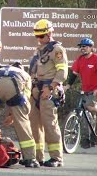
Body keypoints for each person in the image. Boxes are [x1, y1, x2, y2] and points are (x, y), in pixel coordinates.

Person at [0, 62, 40, 168]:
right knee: (22, 123)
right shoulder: (24, 74)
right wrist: (14, 115)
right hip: (15, 86)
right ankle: (30, 158)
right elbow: (24, 98)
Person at [28, 19, 68, 167]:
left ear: (50, 33)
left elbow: (62, 71)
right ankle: (37, 157)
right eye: (37, 36)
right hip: (35, 90)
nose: (39, 39)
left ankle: (56, 158)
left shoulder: (57, 50)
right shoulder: (39, 50)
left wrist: (51, 87)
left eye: (42, 36)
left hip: (49, 90)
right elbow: (33, 71)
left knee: (50, 125)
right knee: (34, 125)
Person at [64, 38, 97, 148]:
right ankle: (90, 138)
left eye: (85, 46)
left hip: (96, 90)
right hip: (85, 90)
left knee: (89, 105)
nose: (83, 48)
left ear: (91, 47)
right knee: (85, 113)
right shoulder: (79, 60)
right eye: (81, 46)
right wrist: (67, 86)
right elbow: (73, 74)